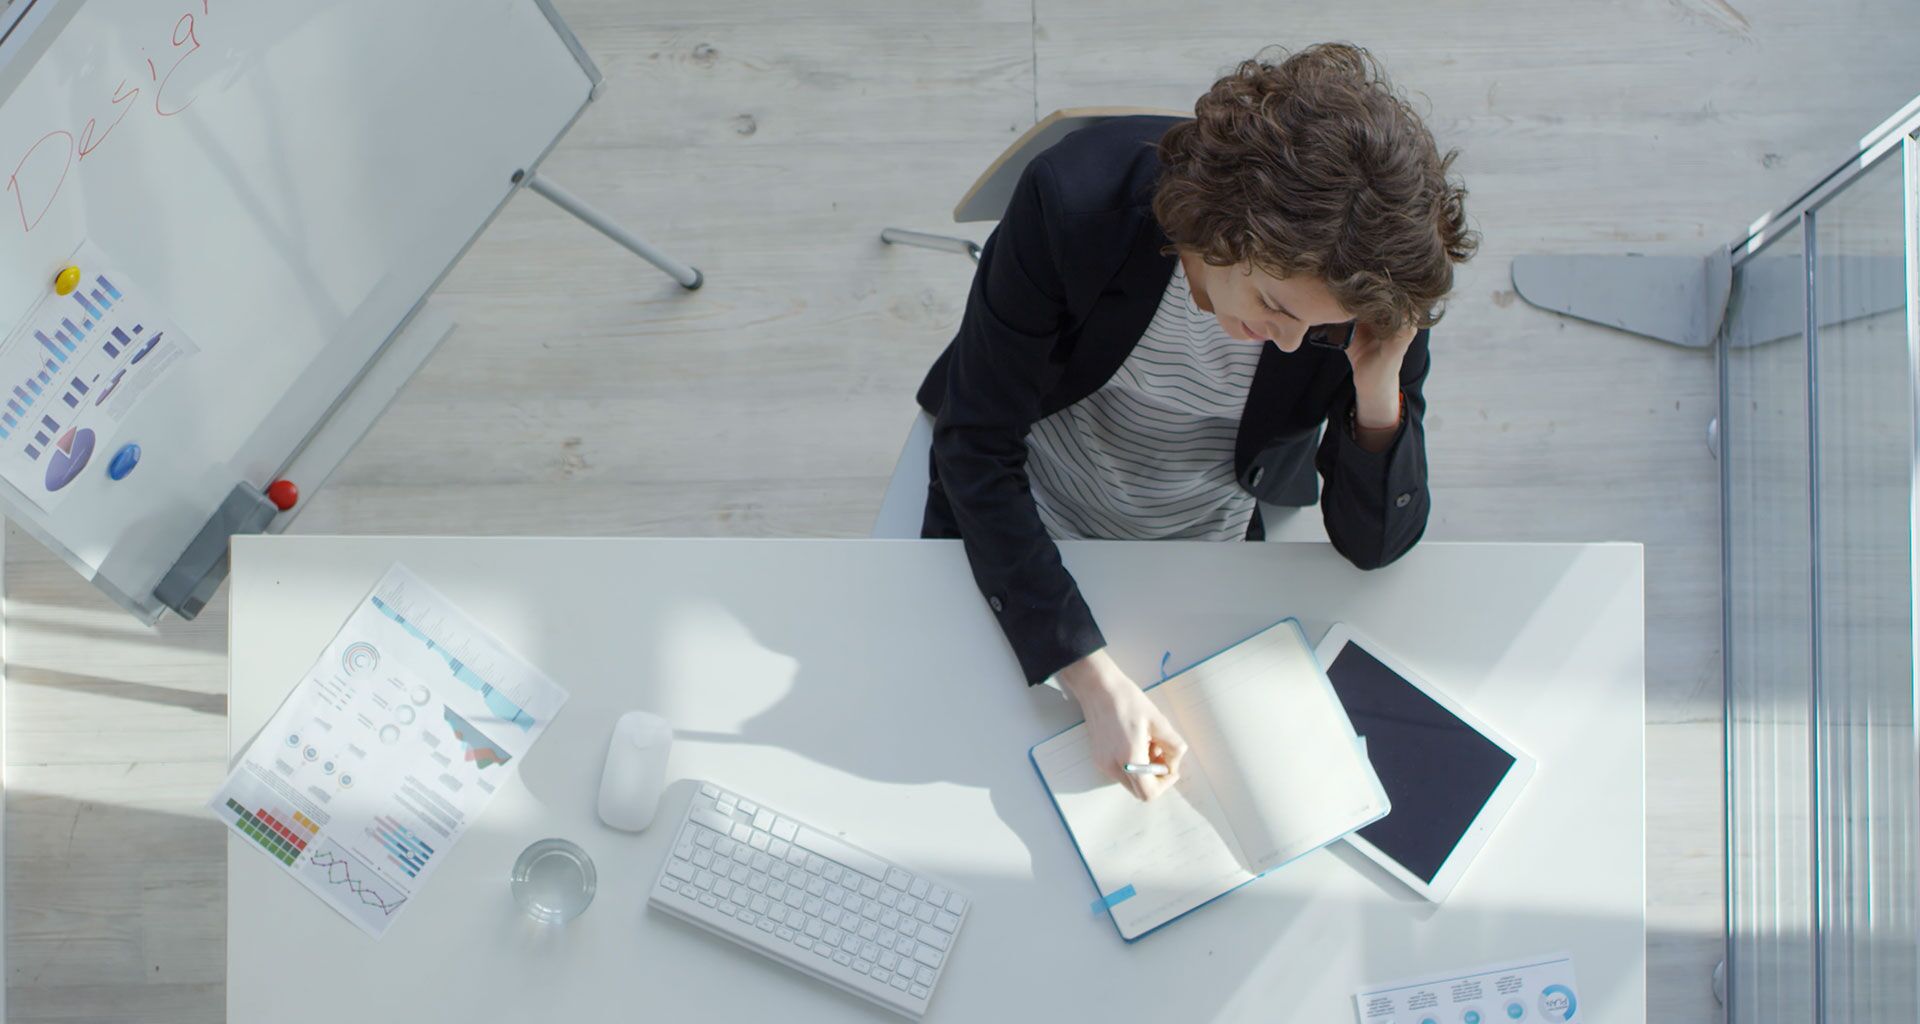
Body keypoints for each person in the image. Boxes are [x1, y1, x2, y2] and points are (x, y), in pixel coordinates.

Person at [914, 43, 1477, 800]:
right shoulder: (1076, 200)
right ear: (1223, 226)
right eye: (1277, 308)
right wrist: (1089, 675)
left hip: (1204, 546)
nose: (1289, 342)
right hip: (1019, 520)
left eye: (1315, 328)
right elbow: (976, 446)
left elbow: (1375, 546)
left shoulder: (1358, 303)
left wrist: (1375, 388)